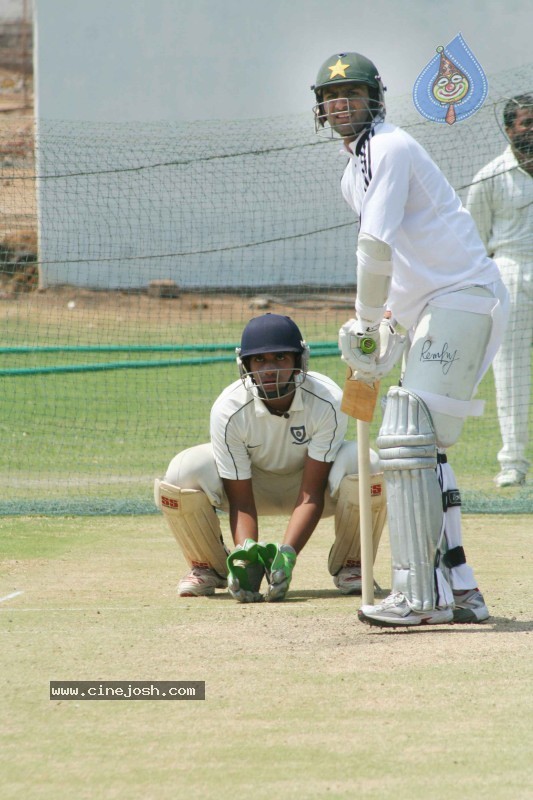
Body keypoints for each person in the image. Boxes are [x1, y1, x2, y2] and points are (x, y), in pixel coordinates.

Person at [311, 51, 510, 627]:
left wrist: (365, 321)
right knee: (423, 443)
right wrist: (388, 332)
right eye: (331, 96)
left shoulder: (390, 147)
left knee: (410, 436)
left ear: (375, 97)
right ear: (320, 108)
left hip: (465, 296)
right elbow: (401, 264)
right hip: (435, 304)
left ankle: (421, 597)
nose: (341, 103)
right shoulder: (354, 169)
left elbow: (374, 247)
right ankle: (461, 591)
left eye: (352, 92)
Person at [154, 313, 387, 603]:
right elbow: (241, 501)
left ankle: (353, 565)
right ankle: (209, 567)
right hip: (252, 488)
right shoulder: (228, 409)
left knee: (368, 462)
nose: (270, 369)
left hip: (314, 488)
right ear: (245, 364)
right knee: (181, 471)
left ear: (300, 360)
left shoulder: (327, 399)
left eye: (280, 357)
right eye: (260, 360)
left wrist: (287, 555)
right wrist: (247, 557)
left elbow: (311, 494)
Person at [466, 93, 533, 488]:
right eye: (526, 122)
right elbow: (474, 241)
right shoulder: (489, 176)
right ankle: (513, 462)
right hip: (511, 269)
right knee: (509, 370)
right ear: (509, 129)